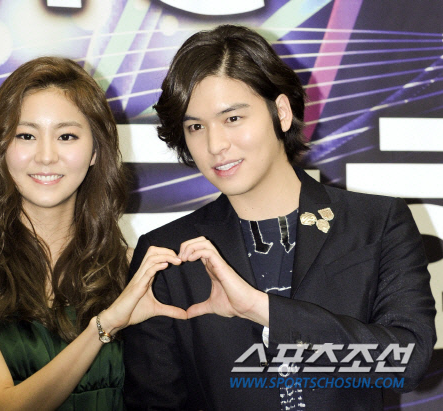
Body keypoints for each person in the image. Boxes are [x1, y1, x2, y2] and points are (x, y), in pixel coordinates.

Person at [123, 25, 436, 410]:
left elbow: (406, 363)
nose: (215, 145)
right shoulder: (168, 253)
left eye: (233, 118)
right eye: (196, 127)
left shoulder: (376, 222)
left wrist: (262, 310)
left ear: (282, 112)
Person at [0, 56, 186, 410]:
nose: (46, 156)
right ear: (1, 147)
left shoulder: (127, 269)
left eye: (66, 136)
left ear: (95, 151)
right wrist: (103, 326)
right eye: (26, 135)